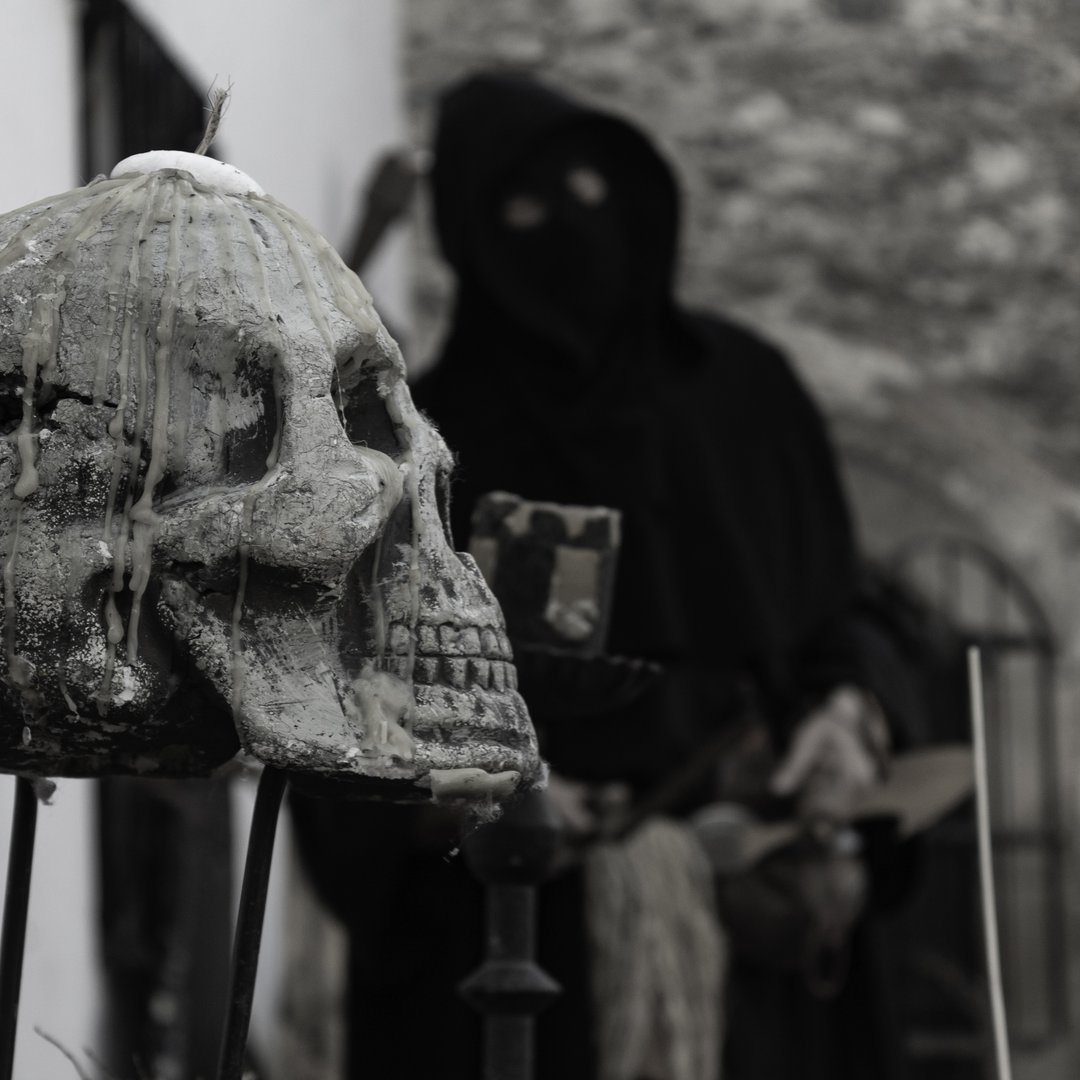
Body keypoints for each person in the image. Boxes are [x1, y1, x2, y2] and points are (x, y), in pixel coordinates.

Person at [292, 72, 909, 1080]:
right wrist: (472, 793)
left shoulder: (747, 400)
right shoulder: (417, 449)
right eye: (524, 210)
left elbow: (843, 617)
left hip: (755, 935)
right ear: (471, 236)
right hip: (504, 939)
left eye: (591, 196)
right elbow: (344, 704)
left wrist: (851, 713)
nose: (570, 238)